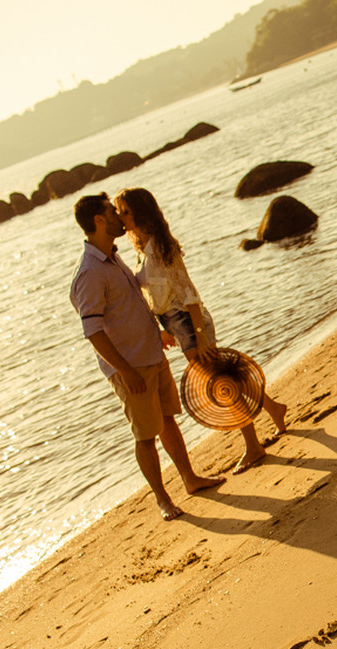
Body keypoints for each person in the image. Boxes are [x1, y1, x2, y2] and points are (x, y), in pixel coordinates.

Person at [68, 193, 224, 520]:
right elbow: (93, 331)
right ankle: (163, 500)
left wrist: (160, 333)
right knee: (145, 435)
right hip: (130, 367)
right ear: (99, 220)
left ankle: (190, 479)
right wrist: (125, 371)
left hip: (151, 353)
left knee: (167, 420)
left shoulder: (112, 257)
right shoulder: (90, 272)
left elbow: (133, 304)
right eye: (112, 211)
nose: (118, 216)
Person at [113, 187, 287, 474]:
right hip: (176, 323)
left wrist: (199, 335)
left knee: (223, 385)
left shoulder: (161, 247)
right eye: (119, 211)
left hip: (189, 320)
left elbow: (188, 292)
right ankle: (272, 408)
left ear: (140, 212)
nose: (120, 217)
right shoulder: (143, 250)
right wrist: (163, 329)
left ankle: (254, 446)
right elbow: (156, 297)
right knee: (226, 379)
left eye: (125, 211)